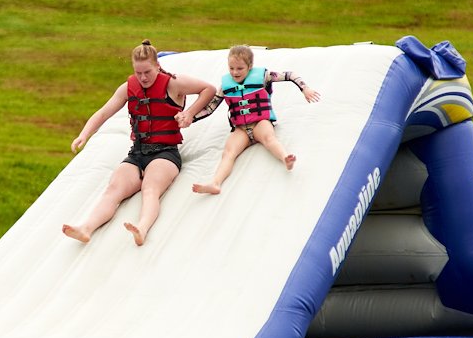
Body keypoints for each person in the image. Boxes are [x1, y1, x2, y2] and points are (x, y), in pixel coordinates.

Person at [62, 40, 218, 246]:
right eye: (138, 73)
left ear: (157, 67)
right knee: (113, 190)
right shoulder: (128, 88)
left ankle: (142, 228)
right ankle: (86, 228)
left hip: (165, 153)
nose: (143, 78)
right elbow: (103, 112)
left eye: (147, 72)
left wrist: (189, 113)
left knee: (150, 188)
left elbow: (209, 89)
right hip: (137, 153)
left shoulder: (173, 83)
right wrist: (84, 134)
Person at [191, 45, 321, 195]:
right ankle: (215, 183)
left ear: (250, 66)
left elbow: (290, 75)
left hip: (260, 123)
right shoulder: (225, 86)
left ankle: (286, 158)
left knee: (269, 139)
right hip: (241, 129)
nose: (234, 72)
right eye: (231, 68)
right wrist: (190, 119)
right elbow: (209, 109)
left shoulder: (264, 76)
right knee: (228, 153)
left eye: (240, 68)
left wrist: (305, 89)